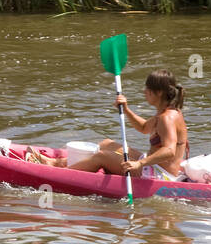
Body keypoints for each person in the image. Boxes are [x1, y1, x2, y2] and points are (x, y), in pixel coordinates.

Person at [27, 69, 190, 180]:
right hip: (152, 164)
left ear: (159, 92)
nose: (144, 92)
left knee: (102, 156)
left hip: (160, 174)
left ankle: (59, 175)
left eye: (147, 89)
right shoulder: (164, 112)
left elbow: (168, 151)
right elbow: (144, 128)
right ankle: (55, 163)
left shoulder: (167, 118)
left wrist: (139, 163)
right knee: (106, 144)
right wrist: (126, 110)